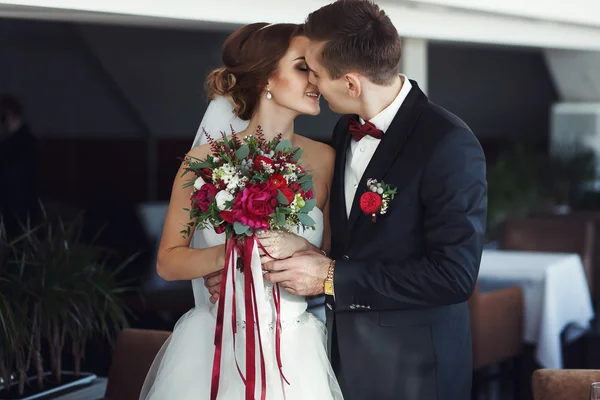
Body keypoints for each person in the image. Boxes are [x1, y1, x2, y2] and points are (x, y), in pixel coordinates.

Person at [206, 1, 488, 399]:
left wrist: (329, 276)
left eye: (315, 73)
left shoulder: (448, 143)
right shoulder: (343, 130)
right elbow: (354, 244)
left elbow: (453, 277)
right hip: (338, 357)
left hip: (414, 369)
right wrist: (258, 270)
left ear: (351, 83)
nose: (313, 85)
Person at [140, 22, 343, 399]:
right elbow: (168, 262)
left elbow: (329, 259)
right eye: (303, 67)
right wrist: (230, 257)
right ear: (267, 76)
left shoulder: (326, 159)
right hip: (214, 346)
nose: (316, 79)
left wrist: (296, 250)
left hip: (294, 351)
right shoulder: (203, 160)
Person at [0, 95, 38, 240]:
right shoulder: (18, 139)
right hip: (16, 206)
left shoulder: (21, 141)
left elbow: (12, 177)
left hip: (17, 208)